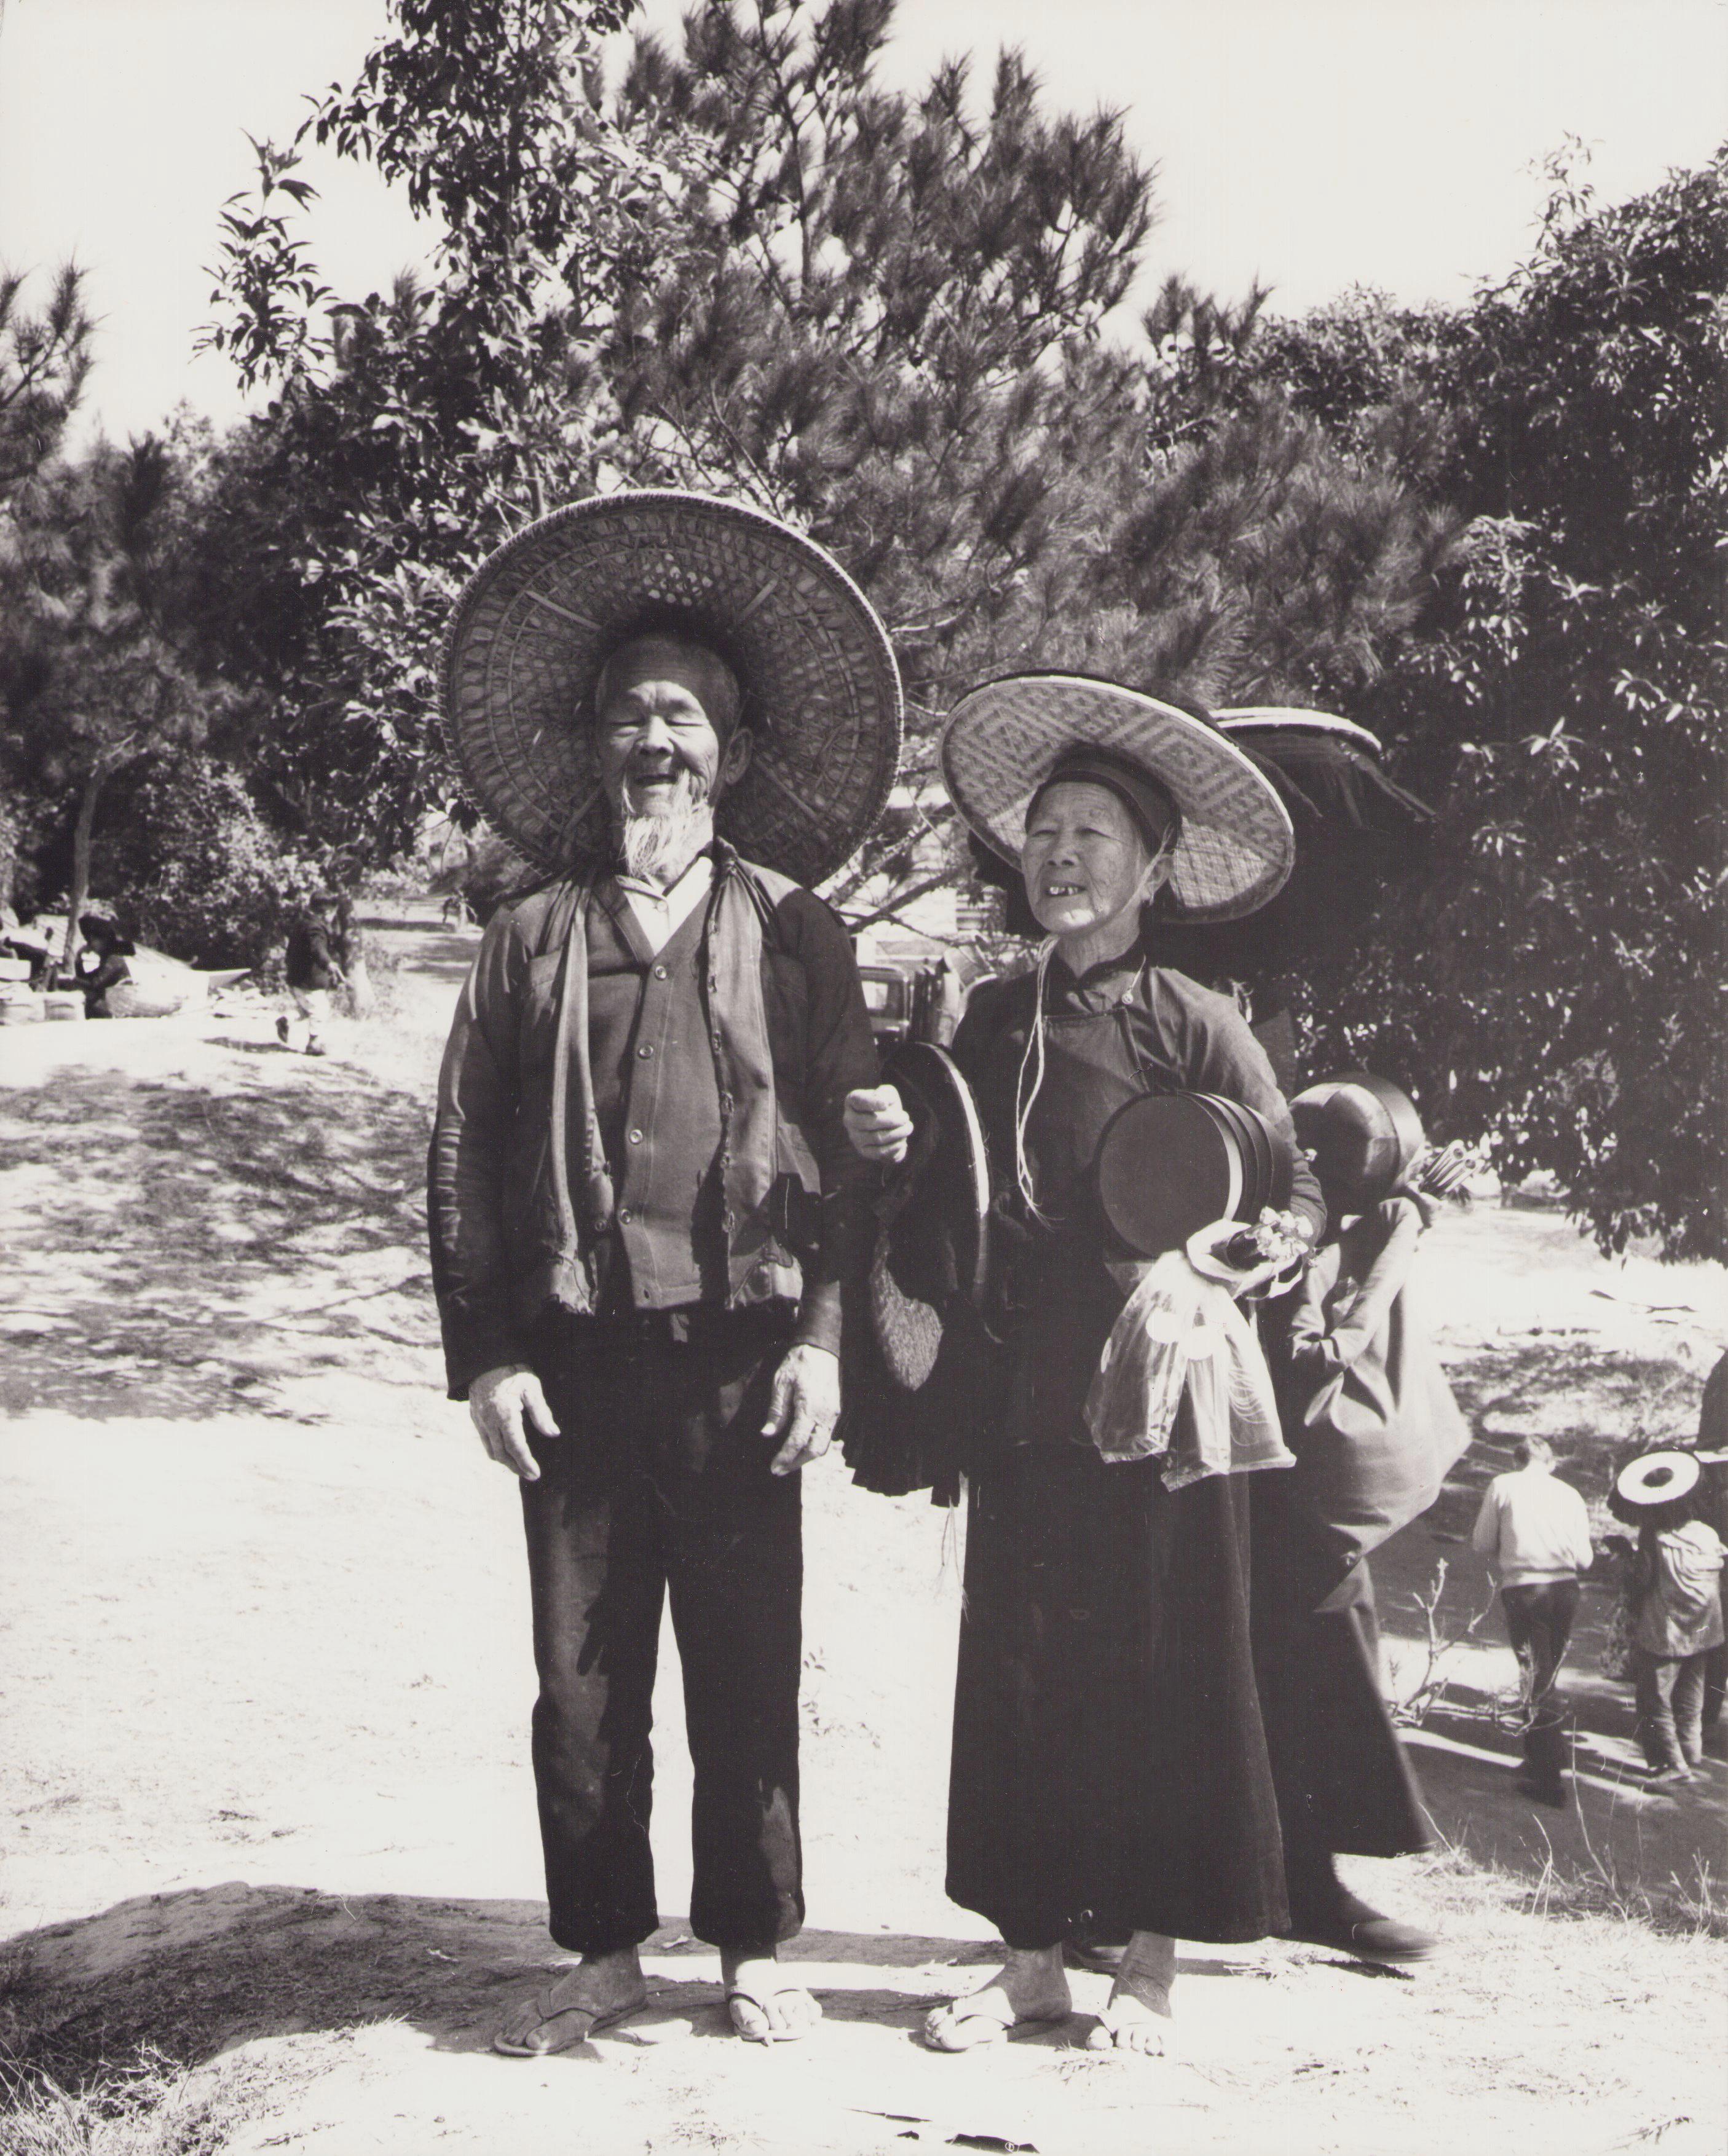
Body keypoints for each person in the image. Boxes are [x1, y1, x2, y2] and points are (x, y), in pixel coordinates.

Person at [429, 492, 899, 2055]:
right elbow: (463, 1153)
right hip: (570, 1363)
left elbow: (848, 1160)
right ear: (592, 749)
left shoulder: (797, 934)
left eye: (685, 716)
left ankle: (753, 1944)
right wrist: (487, 1356)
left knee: (746, 1652)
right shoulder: (527, 937)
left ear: (736, 754)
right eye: (630, 714)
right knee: (580, 1674)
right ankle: (606, 1948)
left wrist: (825, 1345)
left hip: (741, 1355)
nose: (656, 741)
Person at [846, 675, 1324, 2055]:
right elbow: (949, 1181)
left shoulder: (1196, 1019)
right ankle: (1036, 1954)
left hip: (1165, 1402)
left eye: (1092, 835)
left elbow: (1290, 1205)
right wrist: (895, 1140)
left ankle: (1154, 1961)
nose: (1059, 855)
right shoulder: (992, 1017)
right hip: (1021, 1392)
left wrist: (1207, 1268)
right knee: (1025, 1665)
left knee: (1166, 1662)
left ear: (1153, 865)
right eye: (1044, 831)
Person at [1257, 1087, 1472, 1928]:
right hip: (1203, 1437)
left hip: (1287, 1471)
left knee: (1325, 1644)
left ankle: (1306, 1883)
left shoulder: (1347, 1224)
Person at [1472, 1436, 1595, 1804]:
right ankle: (1542, 1757)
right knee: (1547, 1673)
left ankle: (1548, 1779)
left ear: (1517, 1459)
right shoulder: (1570, 1494)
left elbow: (1481, 1543)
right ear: (1551, 1462)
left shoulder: (1504, 1486)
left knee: (1536, 1677)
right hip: (1565, 1589)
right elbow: (1586, 1560)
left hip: (1527, 1588)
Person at [1615, 1452, 1725, 1784]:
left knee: (1654, 1700)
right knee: (1691, 1698)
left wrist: (1624, 1556)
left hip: (1665, 1629)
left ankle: (1670, 1766)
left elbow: (1642, 1580)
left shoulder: (1655, 1537)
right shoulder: (1706, 1533)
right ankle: (1692, 1757)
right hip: (1705, 1630)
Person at [278, 896, 345, 1054]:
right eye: (333, 914)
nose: (333, 918)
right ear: (327, 912)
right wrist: (328, 963)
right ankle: (314, 1044)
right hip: (309, 978)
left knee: (306, 1008)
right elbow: (317, 949)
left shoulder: (302, 922)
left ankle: (286, 1020)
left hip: (297, 976)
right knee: (321, 1009)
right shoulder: (315, 928)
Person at [70, 914, 135, 1018]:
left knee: (91, 1005)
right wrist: (79, 960)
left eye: (93, 940)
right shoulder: (106, 959)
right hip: (113, 1002)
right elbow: (86, 978)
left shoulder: (114, 959)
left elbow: (95, 983)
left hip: (120, 1004)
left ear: (104, 940)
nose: (90, 945)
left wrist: (73, 979)